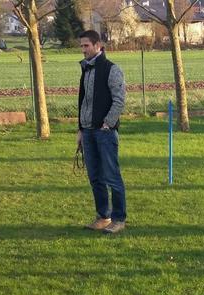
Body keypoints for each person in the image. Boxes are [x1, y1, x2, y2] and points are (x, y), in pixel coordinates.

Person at [77, 29, 127, 234]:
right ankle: (103, 216)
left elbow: (119, 100)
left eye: (86, 45)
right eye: (81, 46)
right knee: (95, 177)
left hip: (104, 133)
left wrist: (108, 123)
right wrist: (80, 129)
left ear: (98, 45)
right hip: (87, 132)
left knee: (111, 176)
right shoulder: (86, 69)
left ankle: (119, 218)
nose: (83, 50)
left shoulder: (112, 69)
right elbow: (83, 101)